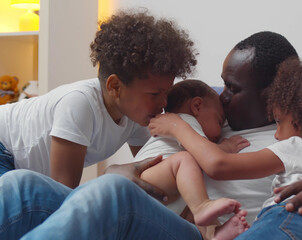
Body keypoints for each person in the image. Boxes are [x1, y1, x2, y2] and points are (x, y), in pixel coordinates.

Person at [0, 31, 302, 240]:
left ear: (274, 96)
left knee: (108, 193)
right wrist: (124, 171)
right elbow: (148, 169)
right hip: (150, 212)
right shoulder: (206, 122)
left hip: (201, 233)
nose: (221, 96)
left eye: (231, 88)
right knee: (20, 185)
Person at [0, 9, 198, 239]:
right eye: (155, 94)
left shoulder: (137, 117)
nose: (164, 102)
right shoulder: (79, 105)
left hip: (19, 166)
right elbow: (65, 197)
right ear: (115, 86)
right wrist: (110, 174)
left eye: (167, 92)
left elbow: (152, 173)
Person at [148, 58, 302, 239]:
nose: (276, 134)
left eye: (279, 122)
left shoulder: (299, 147)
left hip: (287, 218)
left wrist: (177, 126)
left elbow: (219, 165)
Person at [137, 79, 250, 239]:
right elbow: (205, 154)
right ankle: (203, 207)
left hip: (161, 202)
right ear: (197, 106)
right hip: (145, 181)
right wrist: (226, 148)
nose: (220, 132)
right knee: (184, 160)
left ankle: (214, 234)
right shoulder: (183, 120)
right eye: (219, 120)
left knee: (193, 210)